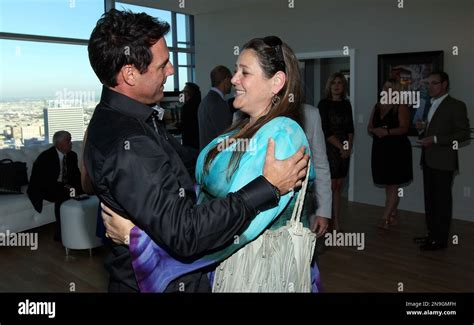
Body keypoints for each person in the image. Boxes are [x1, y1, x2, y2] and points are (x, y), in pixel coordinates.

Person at [85, 10, 309, 293]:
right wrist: (266, 187)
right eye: (163, 64)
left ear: (276, 82)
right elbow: (188, 232)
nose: (171, 70)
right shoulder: (130, 141)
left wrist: (137, 236)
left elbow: (182, 169)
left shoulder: (282, 135)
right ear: (130, 74)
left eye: (244, 72)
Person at [414, 71, 470, 250]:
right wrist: (422, 130)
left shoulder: (456, 105)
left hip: (444, 161)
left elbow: (464, 134)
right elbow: (428, 130)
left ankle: (440, 240)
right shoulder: (428, 104)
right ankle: (431, 235)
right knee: (430, 200)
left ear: (444, 84)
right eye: (428, 84)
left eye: (434, 83)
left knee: (442, 202)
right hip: (428, 160)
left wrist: (436, 139)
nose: (430, 87)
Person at [368, 79, 413, 229]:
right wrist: (376, 131)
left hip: (397, 150)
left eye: (390, 88)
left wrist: (386, 131)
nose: (386, 90)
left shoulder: (400, 107)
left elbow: (404, 128)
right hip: (380, 149)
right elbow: (369, 127)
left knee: (393, 184)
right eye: (385, 87)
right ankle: (393, 215)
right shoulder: (377, 106)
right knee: (388, 184)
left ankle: (385, 218)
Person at [27, 130, 83, 242]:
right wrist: (68, 188)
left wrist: (80, 187)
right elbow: (44, 181)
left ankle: (82, 227)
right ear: (59, 144)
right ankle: (60, 234)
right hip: (45, 186)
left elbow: (76, 175)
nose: (71, 143)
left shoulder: (72, 155)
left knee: (89, 190)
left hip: (64, 185)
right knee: (62, 196)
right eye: (68, 141)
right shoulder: (46, 157)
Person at [318, 73, 354, 232]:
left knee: (339, 186)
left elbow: (350, 129)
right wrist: (341, 147)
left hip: (344, 149)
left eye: (339, 83)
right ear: (329, 86)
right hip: (329, 147)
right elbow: (325, 130)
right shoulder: (323, 104)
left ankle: (336, 221)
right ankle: (325, 220)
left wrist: (348, 147)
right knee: (330, 186)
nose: (337, 86)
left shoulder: (347, 104)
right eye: (333, 83)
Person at [302, 103, 331, 255]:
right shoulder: (246, 113)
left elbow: (320, 165)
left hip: (303, 209)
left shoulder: (310, 114)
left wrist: (323, 210)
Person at [198, 65, 234, 150]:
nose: (232, 84)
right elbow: (225, 137)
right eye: (231, 80)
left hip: (206, 154)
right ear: (226, 80)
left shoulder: (206, 100)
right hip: (215, 156)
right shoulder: (218, 103)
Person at [180, 82, 201, 150]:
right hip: (198, 140)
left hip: (189, 141)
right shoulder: (200, 104)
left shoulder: (187, 107)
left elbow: (186, 124)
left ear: (188, 93)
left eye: (184, 91)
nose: (183, 93)